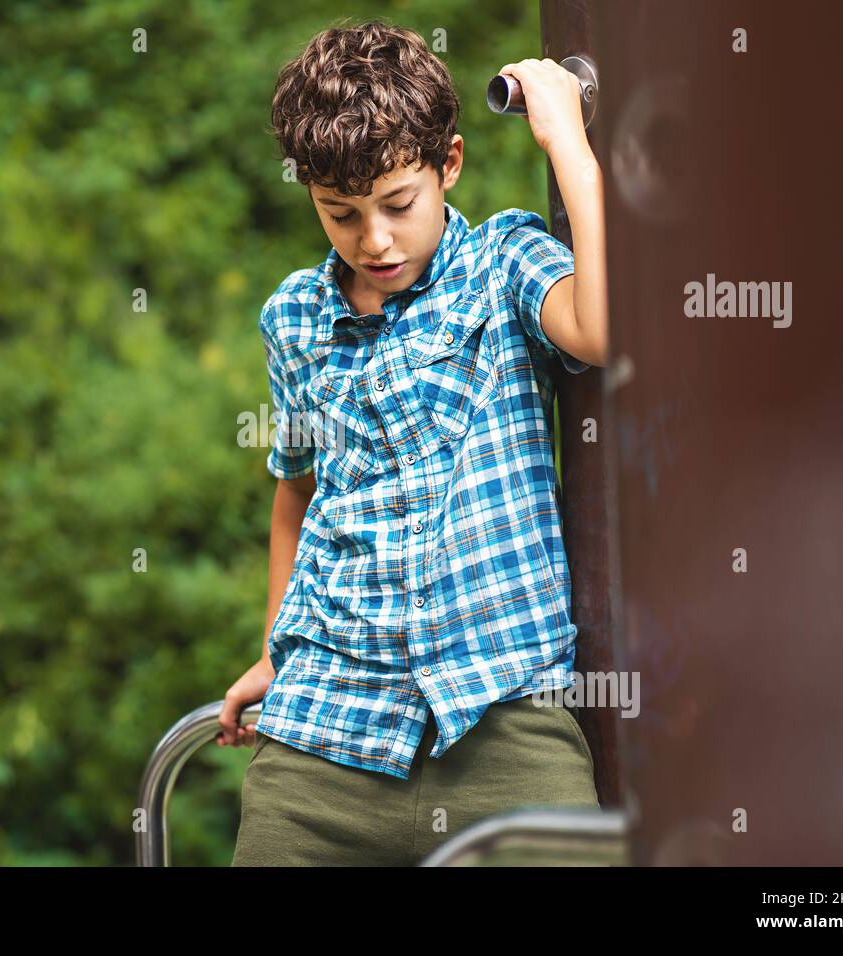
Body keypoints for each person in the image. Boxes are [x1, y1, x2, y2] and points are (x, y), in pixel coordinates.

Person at [218, 18, 610, 866]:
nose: (376, 240)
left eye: (398, 204)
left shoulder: (504, 260)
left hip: (501, 722)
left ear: (450, 165)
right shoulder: (293, 316)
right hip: (325, 732)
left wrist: (567, 145)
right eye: (341, 214)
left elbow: (599, 327)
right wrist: (272, 650)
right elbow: (297, 490)